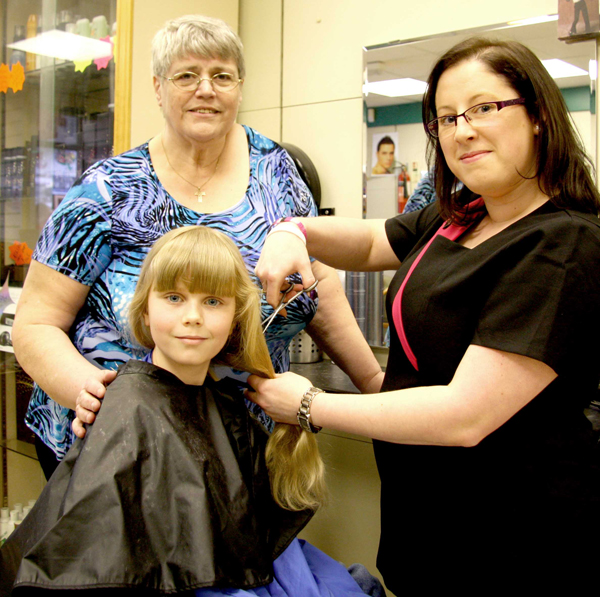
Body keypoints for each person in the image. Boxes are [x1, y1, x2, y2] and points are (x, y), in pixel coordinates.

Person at [248, 37, 600, 592]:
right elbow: (368, 244)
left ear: (537, 115)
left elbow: (465, 414)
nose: (462, 130)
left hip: (516, 534)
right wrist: (293, 231)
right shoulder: (462, 212)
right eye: (446, 118)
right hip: (430, 515)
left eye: (484, 108)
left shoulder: (564, 246)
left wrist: (311, 404)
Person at [12, 14, 382, 480]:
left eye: (221, 76)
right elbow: (37, 322)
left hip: (240, 443)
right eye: (186, 75)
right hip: (115, 448)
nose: (205, 89)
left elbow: (315, 285)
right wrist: (91, 393)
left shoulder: (278, 173)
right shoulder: (107, 191)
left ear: (240, 87)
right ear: (158, 87)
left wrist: (373, 382)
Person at [1, 226, 375, 596]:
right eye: (174, 298)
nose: (193, 316)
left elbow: (259, 549)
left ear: (234, 319)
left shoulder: (228, 406)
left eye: (213, 301)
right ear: (145, 310)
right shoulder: (128, 409)